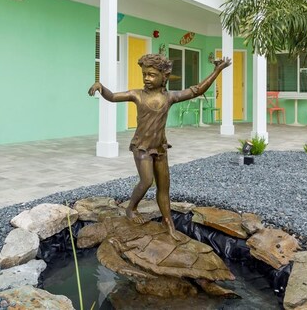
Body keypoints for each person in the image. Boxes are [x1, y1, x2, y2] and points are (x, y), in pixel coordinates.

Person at [88, 53, 231, 239]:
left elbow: (197, 90)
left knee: (164, 187)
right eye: (144, 74)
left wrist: (217, 71)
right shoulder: (136, 95)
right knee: (147, 181)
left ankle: (168, 222)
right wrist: (101, 87)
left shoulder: (170, 97)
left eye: (152, 75)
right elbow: (114, 96)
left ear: (165, 77)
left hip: (160, 148)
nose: (147, 78)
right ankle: (131, 208)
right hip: (142, 147)